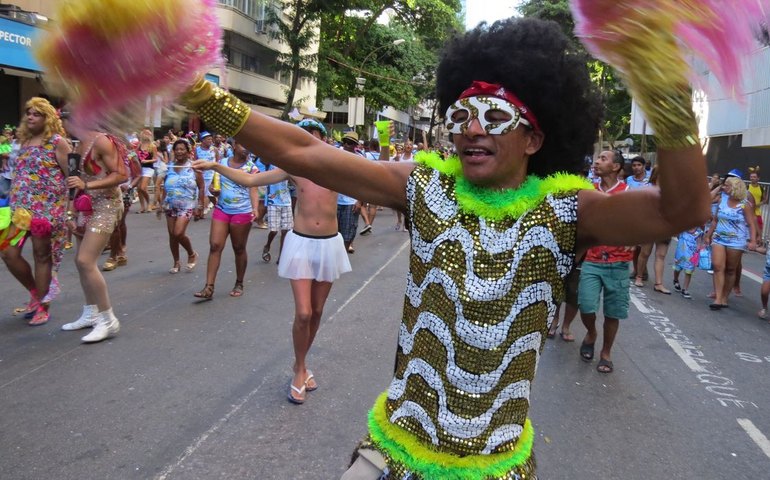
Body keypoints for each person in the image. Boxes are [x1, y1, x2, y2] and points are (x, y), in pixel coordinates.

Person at [179, 17, 710, 479]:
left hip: (495, 466)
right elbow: (305, 151)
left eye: (495, 118)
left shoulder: (568, 210)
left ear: (534, 139)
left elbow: (682, 210)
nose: (472, 129)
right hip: (397, 452)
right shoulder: (425, 187)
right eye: (460, 117)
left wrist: (664, 90)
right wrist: (203, 96)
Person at [193, 118, 351, 404]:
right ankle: (299, 370)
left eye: (314, 136)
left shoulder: (338, 169)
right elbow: (250, 180)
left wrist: (385, 144)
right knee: (303, 313)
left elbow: (375, 176)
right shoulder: (294, 168)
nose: (309, 141)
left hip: (329, 245)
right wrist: (215, 166)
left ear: (323, 139)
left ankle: (301, 364)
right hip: (301, 243)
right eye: (304, 136)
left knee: (317, 311)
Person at [1, 98, 70, 325]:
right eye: (28, 113)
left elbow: (71, 176)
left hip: (46, 210)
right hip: (19, 210)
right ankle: (34, 293)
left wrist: (68, 210)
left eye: (36, 114)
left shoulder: (57, 142)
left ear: (47, 118)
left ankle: (43, 305)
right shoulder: (22, 141)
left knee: (41, 256)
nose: (30, 117)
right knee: (8, 252)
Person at [61, 120, 131, 342]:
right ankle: (91, 313)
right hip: (86, 206)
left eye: (66, 115)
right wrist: (70, 212)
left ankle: (108, 321)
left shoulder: (101, 141)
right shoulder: (77, 143)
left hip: (107, 205)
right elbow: (74, 182)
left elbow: (121, 175)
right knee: (80, 262)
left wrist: (87, 186)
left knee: (85, 261)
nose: (63, 120)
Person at [578, 150, 631, 374]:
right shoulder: (588, 191)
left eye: (603, 159)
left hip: (618, 262)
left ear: (616, 167)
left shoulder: (628, 193)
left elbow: (639, 222)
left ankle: (606, 353)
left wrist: (635, 239)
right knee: (586, 305)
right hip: (591, 259)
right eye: (597, 158)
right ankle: (591, 333)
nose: (597, 162)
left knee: (613, 312)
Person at [193, 141, 259, 300]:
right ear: (234, 146)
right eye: (243, 145)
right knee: (215, 245)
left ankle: (239, 283)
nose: (246, 148)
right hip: (222, 209)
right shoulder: (221, 163)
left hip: (242, 212)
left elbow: (254, 189)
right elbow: (214, 186)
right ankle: (209, 287)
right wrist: (213, 190)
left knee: (239, 248)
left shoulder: (251, 167)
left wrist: (255, 208)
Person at [705, 176, 756, 310]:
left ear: (735, 188)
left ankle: (724, 297)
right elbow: (715, 220)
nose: (724, 187)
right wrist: (708, 235)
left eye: (727, 185)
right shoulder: (722, 200)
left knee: (730, 269)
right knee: (717, 266)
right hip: (719, 238)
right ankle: (718, 298)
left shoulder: (744, 205)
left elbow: (751, 224)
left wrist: (753, 240)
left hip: (736, 241)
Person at [158, 139, 203, 273]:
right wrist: (161, 204)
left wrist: (200, 205)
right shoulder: (169, 167)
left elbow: (201, 187)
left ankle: (191, 253)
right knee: (172, 235)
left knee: (178, 233)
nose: (179, 152)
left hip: (187, 205)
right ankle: (176, 262)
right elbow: (166, 187)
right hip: (170, 204)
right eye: (177, 149)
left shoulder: (194, 167)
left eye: (182, 149)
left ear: (188, 151)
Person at [633, 166, 672, 293]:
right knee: (645, 253)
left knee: (661, 255)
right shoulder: (647, 188)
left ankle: (659, 283)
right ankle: (639, 276)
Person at [672, 226, 703, 299]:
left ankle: (685, 289)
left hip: (691, 255)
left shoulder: (698, 232)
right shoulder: (683, 228)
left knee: (689, 271)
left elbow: (699, 243)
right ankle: (675, 279)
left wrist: (697, 252)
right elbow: (677, 236)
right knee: (677, 268)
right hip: (680, 253)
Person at [195, 131, 220, 215]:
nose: (210, 141)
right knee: (202, 193)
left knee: (206, 193)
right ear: (203, 140)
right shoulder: (197, 149)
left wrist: (217, 174)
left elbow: (218, 162)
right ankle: (216, 205)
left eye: (211, 139)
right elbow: (195, 161)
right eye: (208, 139)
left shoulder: (214, 149)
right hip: (200, 174)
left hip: (211, 175)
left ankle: (202, 212)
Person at [135, 129, 158, 213]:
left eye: (147, 134)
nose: (145, 135)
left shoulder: (152, 146)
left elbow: (155, 159)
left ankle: (149, 203)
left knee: (143, 187)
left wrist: (147, 161)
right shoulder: (139, 145)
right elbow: (135, 154)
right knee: (139, 188)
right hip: (140, 168)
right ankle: (142, 207)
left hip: (148, 168)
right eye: (144, 133)